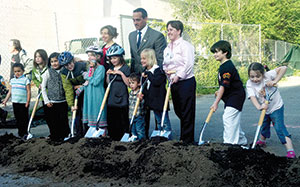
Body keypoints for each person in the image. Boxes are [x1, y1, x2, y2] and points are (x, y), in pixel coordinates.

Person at [129, 8, 167, 138]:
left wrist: (155, 75)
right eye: (133, 20)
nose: (135, 23)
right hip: (139, 77)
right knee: (140, 109)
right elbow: (134, 58)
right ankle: (142, 137)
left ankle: (160, 135)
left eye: (138, 20)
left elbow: (160, 59)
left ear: (145, 18)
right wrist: (134, 78)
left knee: (156, 107)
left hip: (152, 77)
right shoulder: (132, 36)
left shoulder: (157, 36)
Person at [246, 63, 296, 158]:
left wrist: (275, 81)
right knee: (264, 124)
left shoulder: (268, 75)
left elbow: (284, 68)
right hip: (265, 108)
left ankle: (290, 150)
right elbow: (252, 96)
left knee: (279, 127)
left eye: (258, 76)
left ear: (263, 74)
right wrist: (259, 107)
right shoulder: (249, 83)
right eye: (252, 77)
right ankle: (262, 140)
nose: (255, 79)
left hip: (276, 107)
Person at [163, 20, 196, 143]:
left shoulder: (185, 46)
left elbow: (188, 64)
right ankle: (184, 136)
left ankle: (187, 140)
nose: (169, 32)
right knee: (178, 110)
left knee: (187, 111)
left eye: (171, 29)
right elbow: (165, 63)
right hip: (173, 81)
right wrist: (167, 72)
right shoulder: (167, 48)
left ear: (179, 31)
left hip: (185, 81)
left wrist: (178, 75)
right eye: (168, 30)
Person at [210, 40, 247, 145]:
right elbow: (224, 85)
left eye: (217, 52)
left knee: (228, 118)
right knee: (232, 119)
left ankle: (229, 144)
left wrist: (215, 103)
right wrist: (219, 92)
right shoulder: (224, 66)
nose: (215, 55)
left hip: (235, 96)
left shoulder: (227, 67)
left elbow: (223, 86)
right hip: (232, 96)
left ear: (225, 52)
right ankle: (241, 141)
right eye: (214, 52)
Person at [141, 48, 171, 135]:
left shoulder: (158, 70)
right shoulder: (145, 71)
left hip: (160, 100)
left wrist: (149, 74)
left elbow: (156, 82)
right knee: (158, 121)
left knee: (164, 120)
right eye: (141, 58)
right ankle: (160, 135)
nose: (142, 60)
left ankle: (168, 137)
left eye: (144, 58)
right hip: (153, 101)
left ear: (150, 58)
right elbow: (145, 87)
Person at [41, 52, 70, 141]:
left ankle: (65, 135)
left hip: (63, 101)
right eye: (52, 61)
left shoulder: (65, 71)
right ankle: (55, 136)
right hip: (52, 102)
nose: (54, 63)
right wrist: (46, 100)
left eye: (56, 61)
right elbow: (43, 87)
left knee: (63, 119)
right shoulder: (48, 72)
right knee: (54, 121)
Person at [80, 47, 107, 134]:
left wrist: (87, 76)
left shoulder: (101, 68)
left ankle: (102, 134)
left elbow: (95, 82)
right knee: (90, 114)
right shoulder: (90, 68)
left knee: (98, 113)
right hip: (89, 94)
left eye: (92, 55)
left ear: (98, 56)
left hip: (97, 94)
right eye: (88, 56)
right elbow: (87, 81)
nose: (90, 58)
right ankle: (92, 134)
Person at [60, 51, 87, 137]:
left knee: (86, 112)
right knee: (76, 112)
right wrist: (71, 105)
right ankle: (78, 133)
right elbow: (68, 89)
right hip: (76, 93)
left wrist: (81, 86)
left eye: (70, 63)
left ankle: (88, 132)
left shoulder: (82, 66)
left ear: (73, 60)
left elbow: (90, 78)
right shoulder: (64, 73)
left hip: (87, 92)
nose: (69, 66)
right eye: (66, 65)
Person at [106, 45, 130, 141]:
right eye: (111, 58)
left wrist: (121, 74)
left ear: (120, 57)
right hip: (112, 97)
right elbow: (108, 84)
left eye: (115, 58)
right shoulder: (111, 68)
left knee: (122, 119)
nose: (113, 60)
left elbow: (128, 84)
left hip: (122, 97)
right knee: (113, 119)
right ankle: (114, 138)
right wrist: (107, 75)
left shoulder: (125, 68)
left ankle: (124, 137)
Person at [2, 63, 31, 139]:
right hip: (15, 103)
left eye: (19, 71)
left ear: (23, 71)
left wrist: (28, 101)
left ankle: (25, 132)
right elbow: (10, 92)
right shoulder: (12, 80)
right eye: (15, 71)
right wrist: (5, 100)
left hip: (23, 103)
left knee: (24, 118)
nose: (17, 73)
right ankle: (20, 133)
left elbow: (28, 91)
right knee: (18, 118)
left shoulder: (25, 80)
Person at [31, 49, 51, 126]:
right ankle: (51, 132)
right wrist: (38, 84)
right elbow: (34, 78)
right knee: (47, 114)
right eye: (36, 57)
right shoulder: (35, 70)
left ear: (44, 57)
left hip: (50, 93)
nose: (37, 58)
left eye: (39, 56)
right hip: (43, 95)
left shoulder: (48, 68)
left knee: (52, 112)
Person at [128, 73, 146, 141]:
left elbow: (143, 104)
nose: (131, 85)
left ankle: (142, 142)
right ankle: (134, 143)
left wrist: (141, 100)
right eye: (130, 83)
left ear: (138, 83)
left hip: (139, 116)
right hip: (131, 116)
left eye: (133, 83)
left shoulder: (140, 93)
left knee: (140, 131)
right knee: (133, 132)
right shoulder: (131, 93)